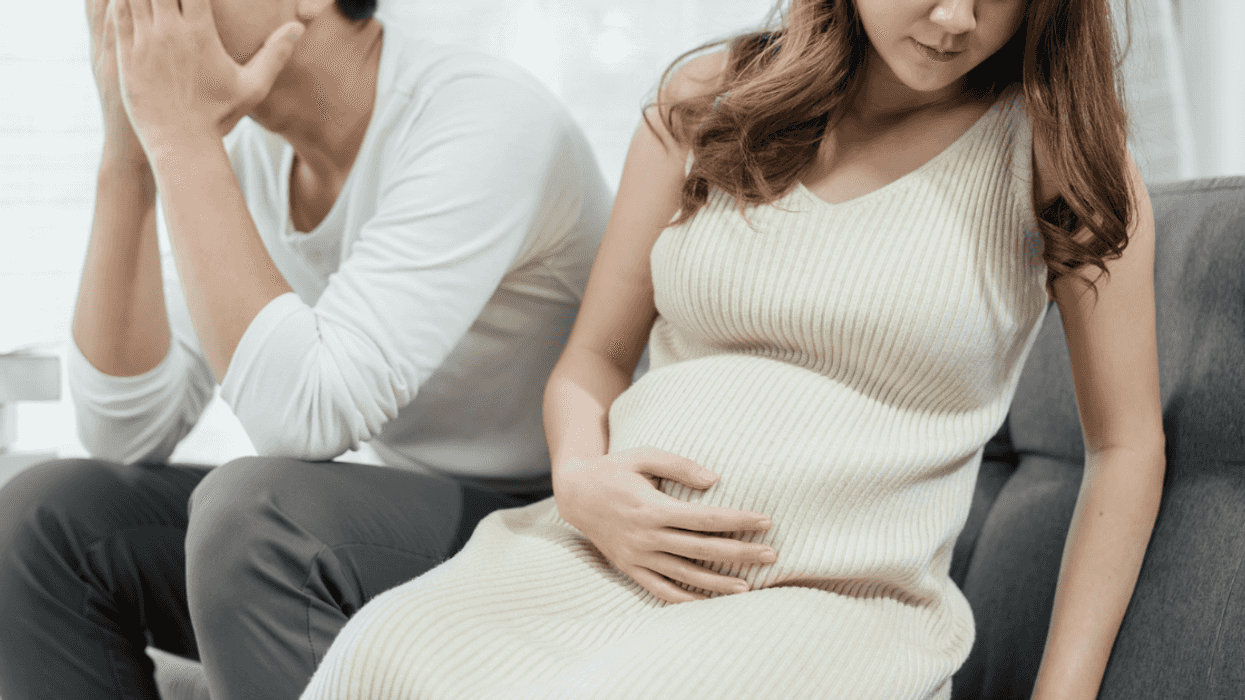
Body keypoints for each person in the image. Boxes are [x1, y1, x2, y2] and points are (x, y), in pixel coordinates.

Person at [297, 0, 1166, 698]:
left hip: (830, 605)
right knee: (382, 657)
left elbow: (1124, 448)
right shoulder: (706, 99)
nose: (953, 19)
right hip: (595, 553)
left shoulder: (1059, 155)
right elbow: (592, 361)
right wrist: (580, 480)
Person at [0, 0, 610, 697]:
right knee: (43, 515)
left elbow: (311, 415)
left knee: (256, 512)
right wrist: (130, 154)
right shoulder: (253, 161)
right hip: (428, 516)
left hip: (561, 533)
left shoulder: (483, 118)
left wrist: (179, 137)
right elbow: (122, 433)